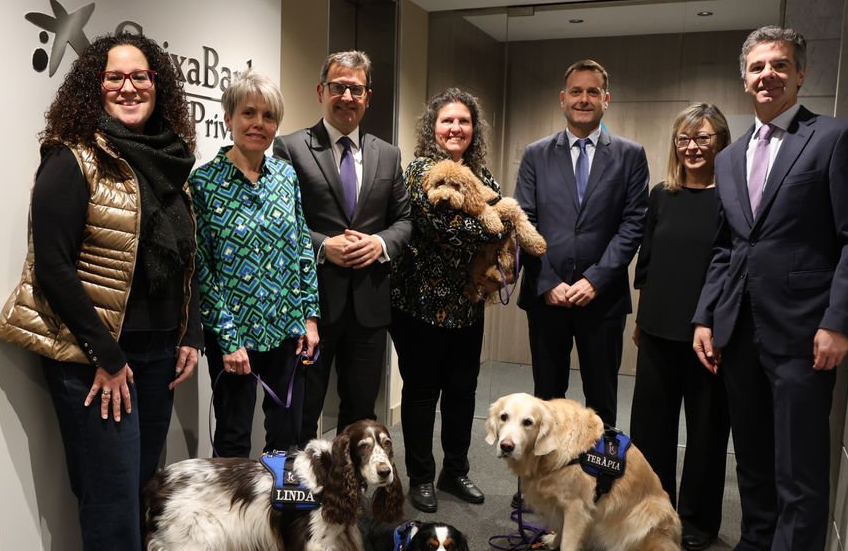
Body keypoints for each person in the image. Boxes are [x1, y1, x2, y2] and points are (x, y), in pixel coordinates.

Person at [0, 32, 202, 551]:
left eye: (140, 77)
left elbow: (187, 258)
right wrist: (106, 354)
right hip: (97, 361)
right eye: (115, 77)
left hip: (156, 357)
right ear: (95, 86)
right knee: (110, 507)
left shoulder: (170, 164)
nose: (129, 87)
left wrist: (191, 334)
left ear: (158, 85)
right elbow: (53, 266)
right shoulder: (72, 159)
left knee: (140, 496)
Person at [692, 26, 848, 551]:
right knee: (750, 455)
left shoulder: (836, 139)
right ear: (743, 78)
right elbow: (728, 247)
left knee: (798, 466)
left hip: (804, 333)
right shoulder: (730, 158)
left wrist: (838, 323)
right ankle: (755, 546)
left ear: (800, 74)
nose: (767, 74)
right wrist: (705, 315)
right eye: (757, 67)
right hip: (738, 328)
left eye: (780, 65)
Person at [273, 50, 412, 442]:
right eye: (338, 87)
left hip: (369, 307)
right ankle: (300, 495)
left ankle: (349, 497)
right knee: (303, 407)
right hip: (310, 307)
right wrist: (322, 246)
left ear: (369, 96)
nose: (347, 97)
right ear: (321, 91)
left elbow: (404, 221)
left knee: (359, 413)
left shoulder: (388, 154)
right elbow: (283, 220)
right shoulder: (290, 148)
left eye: (356, 89)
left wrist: (380, 243)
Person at [189, 68, 321, 458]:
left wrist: (310, 318)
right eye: (248, 113)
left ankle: (278, 518)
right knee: (233, 438)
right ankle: (232, 519)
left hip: (286, 331)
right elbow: (203, 270)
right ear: (228, 118)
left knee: (286, 436)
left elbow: (300, 249)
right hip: (234, 339)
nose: (258, 124)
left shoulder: (285, 176)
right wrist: (228, 340)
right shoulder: (203, 183)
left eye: (268, 117)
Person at [515, 59, 649, 427]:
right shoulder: (536, 154)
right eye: (576, 91)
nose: (584, 99)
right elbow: (523, 220)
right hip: (547, 299)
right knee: (544, 403)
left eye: (593, 92)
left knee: (601, 401)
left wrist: (595, 280)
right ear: (563, 99)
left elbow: (633, 223)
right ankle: (540, 483)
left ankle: (599, 482)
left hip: (602, 301)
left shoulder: (630, 155)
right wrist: (548, 282)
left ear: (606, 99)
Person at [390, 88, 502, 513]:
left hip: (466, 308)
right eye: (447, 121)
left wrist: (494, 229)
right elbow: (446, 230)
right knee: (421, 394)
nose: (456, 128)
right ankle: (420, 477)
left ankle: (454, 471)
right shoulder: (418, 171)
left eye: (464, 122)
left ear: (474, 130)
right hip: (417, 306)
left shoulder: (484, 176)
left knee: (462, 393)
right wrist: (489, 226)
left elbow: (505, 227)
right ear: (432, 127)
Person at [629, 103, 732, 551]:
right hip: (656, 330)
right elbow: (646, 263)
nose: (692, 147)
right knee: (651, 429)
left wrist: (713, 323)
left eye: (703, 138)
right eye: (685, 139)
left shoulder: (733, 199)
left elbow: (730, 268)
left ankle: (698, 519)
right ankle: (654, 510)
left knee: (707, 432)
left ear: (720, 143)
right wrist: (641, 318)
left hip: (707, 334)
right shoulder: (660, 195)